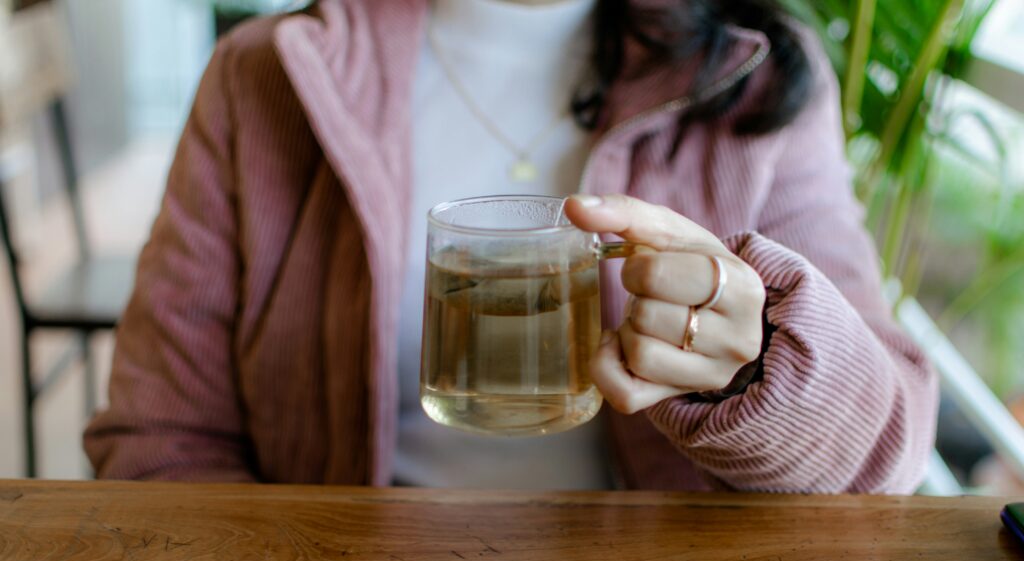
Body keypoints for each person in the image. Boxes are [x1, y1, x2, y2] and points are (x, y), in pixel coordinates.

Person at [84, 0, 938, 493]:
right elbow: (159, 435)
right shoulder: (263, 77)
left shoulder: (759, 82)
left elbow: (888, 448)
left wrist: (763, 369)